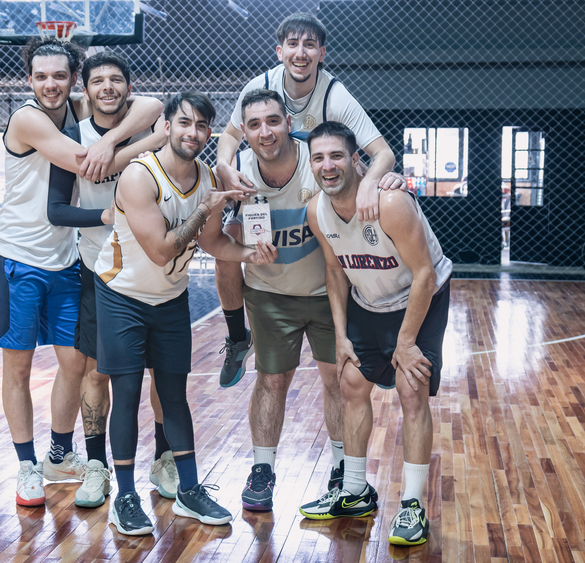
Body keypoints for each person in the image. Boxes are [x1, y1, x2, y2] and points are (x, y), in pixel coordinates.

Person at [0, 36, 164, 509]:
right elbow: (87, 166)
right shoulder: (28, 117)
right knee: (19, 366)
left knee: (74, 364)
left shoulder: (75, 107)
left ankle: (60, 455)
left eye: (60, 76)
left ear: (72, 80)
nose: (51, 84)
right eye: (41, 76)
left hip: (65, 260)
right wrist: (151, 142)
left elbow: (151, 104)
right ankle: (26, 465)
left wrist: (107, 137)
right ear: (29, 79)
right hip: (16, 259)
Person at [94, 92, 276, 536]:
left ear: (209, 133)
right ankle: (125, 497)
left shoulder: (206, 177)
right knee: (128, 393)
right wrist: (206, 207)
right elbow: (161, 251)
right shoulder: (139, 176)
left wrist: (250, 253)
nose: (192, 132)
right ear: (167, 127)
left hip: (170, 298)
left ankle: (189, 490)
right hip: (122, 296)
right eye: (184, 122)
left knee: (174, 395)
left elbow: (211, 242)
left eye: (201, 126)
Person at [213, 89, 399, 512]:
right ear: (243, 132)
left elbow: (363, 179)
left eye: (273, 121)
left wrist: (383, 179)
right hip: (269, 293)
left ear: (289, 123)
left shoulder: (317, 162)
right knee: (271, 380)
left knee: (338, 379)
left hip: (327, 290)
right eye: (254, 125)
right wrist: (240, 245)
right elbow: (220, 237)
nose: (265, 132)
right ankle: (262, 468)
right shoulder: (235, 172)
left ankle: (342, 467)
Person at [214, 13, 398, 387]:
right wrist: (223, 166)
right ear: (279, 51)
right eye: (293, 44)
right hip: (264, 180)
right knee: (227, 243)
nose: (301, 53)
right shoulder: (260, 86)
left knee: (367, 212)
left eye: (309, 45)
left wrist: (372, 183)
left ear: (322, 54)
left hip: (315, 179)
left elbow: (383, 153)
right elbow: (230, 137)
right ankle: (237, 337)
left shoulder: (335, 95)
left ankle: (379, 337)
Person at [300, 122, 452, 547]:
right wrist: (341, 336)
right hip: (369, 300)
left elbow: (424, 275)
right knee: (350, 381)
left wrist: (406, 341)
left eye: (336, 156)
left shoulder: (390, 203)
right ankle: (354, 491)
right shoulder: (316, 211)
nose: (327, 165)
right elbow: (335, 271)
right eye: (318, 158)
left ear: (355, 160)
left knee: (411, 387)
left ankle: (413, 505)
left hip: (420, 295)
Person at [43, 50, 170, 509]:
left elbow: (158, 106)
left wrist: (116, 142)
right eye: (98, 81)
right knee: (96, 371)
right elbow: (57, 209)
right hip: (99, 269)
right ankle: (97, 466)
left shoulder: (148, 127)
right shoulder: (72, 137)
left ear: (128, 88)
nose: (107, 87)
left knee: (160, 370)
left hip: (152, 267)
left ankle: (164, 459)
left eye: (116, 80)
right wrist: (103, 215)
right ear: (85, 90)